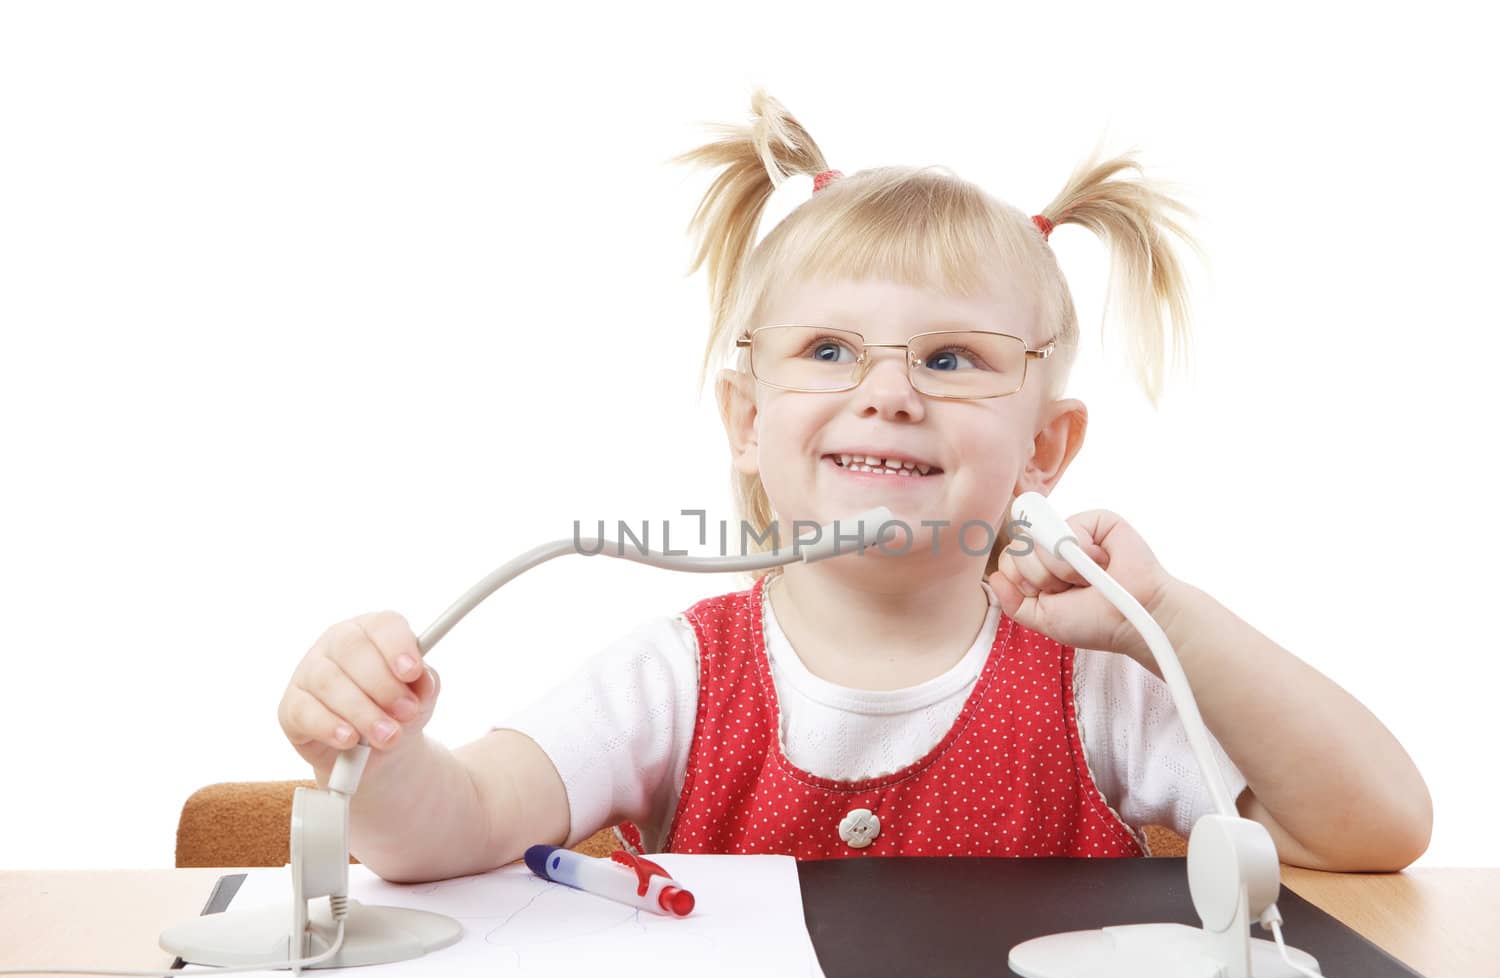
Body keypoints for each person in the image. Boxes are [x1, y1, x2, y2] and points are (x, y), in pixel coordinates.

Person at [276, 89, 1432, 883]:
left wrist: (1166, 616)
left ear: (1045, 450)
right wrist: (377, 751)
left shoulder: (1101, 678)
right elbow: (450, 832)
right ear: (746, 420)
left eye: (950, 358)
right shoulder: (677, 673)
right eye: (828, 350)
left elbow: (1377, 829)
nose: (887, 393)